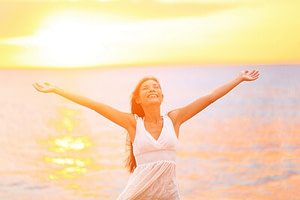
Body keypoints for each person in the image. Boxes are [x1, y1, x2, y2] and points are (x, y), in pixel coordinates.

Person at [33, 70, 259, 199]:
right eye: (146, 88)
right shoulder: (133, 123)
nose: (153, 89)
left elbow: (210, 97)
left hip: (169, 195)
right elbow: (96, 106)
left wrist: (239, 78)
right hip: (138, 195)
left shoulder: (174, 119)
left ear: (162, 96)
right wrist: (57, 89)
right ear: (139, 99)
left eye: (156, 86)